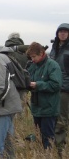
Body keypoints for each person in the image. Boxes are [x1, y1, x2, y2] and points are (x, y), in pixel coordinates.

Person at [26, 42, 62, 149]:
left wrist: (37, 85)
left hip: (48, 108)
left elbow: (56, 85)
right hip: (36, 107)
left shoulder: (52, 65)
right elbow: (28, 79)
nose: (32, 59)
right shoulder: (32, 66)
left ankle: (49, 155)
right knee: (38, 136)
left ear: (41, 53)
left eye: (34, 56)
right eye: (31, 57)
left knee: (48, 139)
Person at [50, 23, 69, 156]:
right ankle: (56, 146)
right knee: (55, 117)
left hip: (65, 88)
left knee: (62, 119)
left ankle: (60, 149)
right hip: (54, 88)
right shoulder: (54, 48)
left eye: (65, 31)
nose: (62, 33)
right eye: (60, 31)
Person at [5, 32, 30, 114]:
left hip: (10, 84)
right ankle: (21, 125)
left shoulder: (6, 52)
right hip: (24, 84)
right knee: (21, 109)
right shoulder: (26, 52)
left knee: (10, 110)